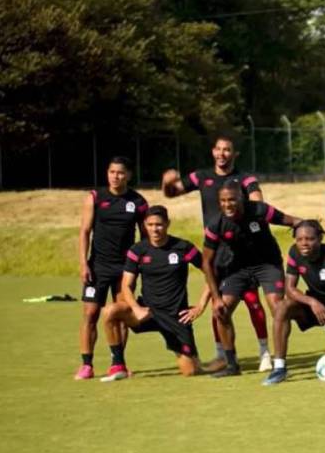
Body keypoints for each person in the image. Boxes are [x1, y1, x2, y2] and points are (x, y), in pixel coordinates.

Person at [161, 134, 273, 372]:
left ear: (234, 154)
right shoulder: (201, 176)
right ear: (213, 151)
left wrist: (255, 204)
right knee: (218, 303)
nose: (222, 154)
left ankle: (265, 353)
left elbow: (257, 201)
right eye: (219, 149)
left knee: (252, 301)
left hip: (241, 250)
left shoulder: (244, 178)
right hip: (215, 251)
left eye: (227, 150)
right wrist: (167, 182)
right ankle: (222, 355)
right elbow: (171, 192)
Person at [99, 206, 212, 381]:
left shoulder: (183, 247)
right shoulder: (137, 250)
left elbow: (212, 274)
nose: (154, 229)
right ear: (144, 225)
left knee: (190, 371)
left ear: (167, 224)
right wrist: (136, 308)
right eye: (150, 225)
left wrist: (200, 306)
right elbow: (126, 285)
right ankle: (118, 365)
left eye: (159, 224)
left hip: (175, 316)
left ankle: (201, 362)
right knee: (110, 311)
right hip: (147, 312)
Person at [201, 182, 301, 377]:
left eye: (232, 200)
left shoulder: (259, 210)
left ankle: (279, 364)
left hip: (267, 264)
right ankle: (232, 365)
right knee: (221, 311)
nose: (227, 204)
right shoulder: (216, 224)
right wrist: (216, 298)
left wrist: (311, 225)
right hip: (237, 269)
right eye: (223, 201)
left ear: (241, 198)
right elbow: (206, 262)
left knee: (278, 308)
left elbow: (290, 221)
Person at [263, 220, 325, 385]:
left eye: (309, 239)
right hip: (315, 307)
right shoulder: (294, 252)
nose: (304, 243)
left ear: (320, 239)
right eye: (299, 239)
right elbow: (290, 289)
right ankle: (279, 368)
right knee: (282, 307)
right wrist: (313, 302)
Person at [75, 156, 147, 380]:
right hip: (97, 267)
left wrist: (143, 265)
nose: (116, 176)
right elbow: (85, 232)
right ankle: (86, 365)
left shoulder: (138, 202)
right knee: (90, 314)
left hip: (125, 269)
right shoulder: (95, 197)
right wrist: (83, 263)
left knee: (120, 314)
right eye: (112, 172)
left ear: (129, 175)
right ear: (107, 173)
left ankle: (118, 363)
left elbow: (145, 237)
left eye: (120, 172)